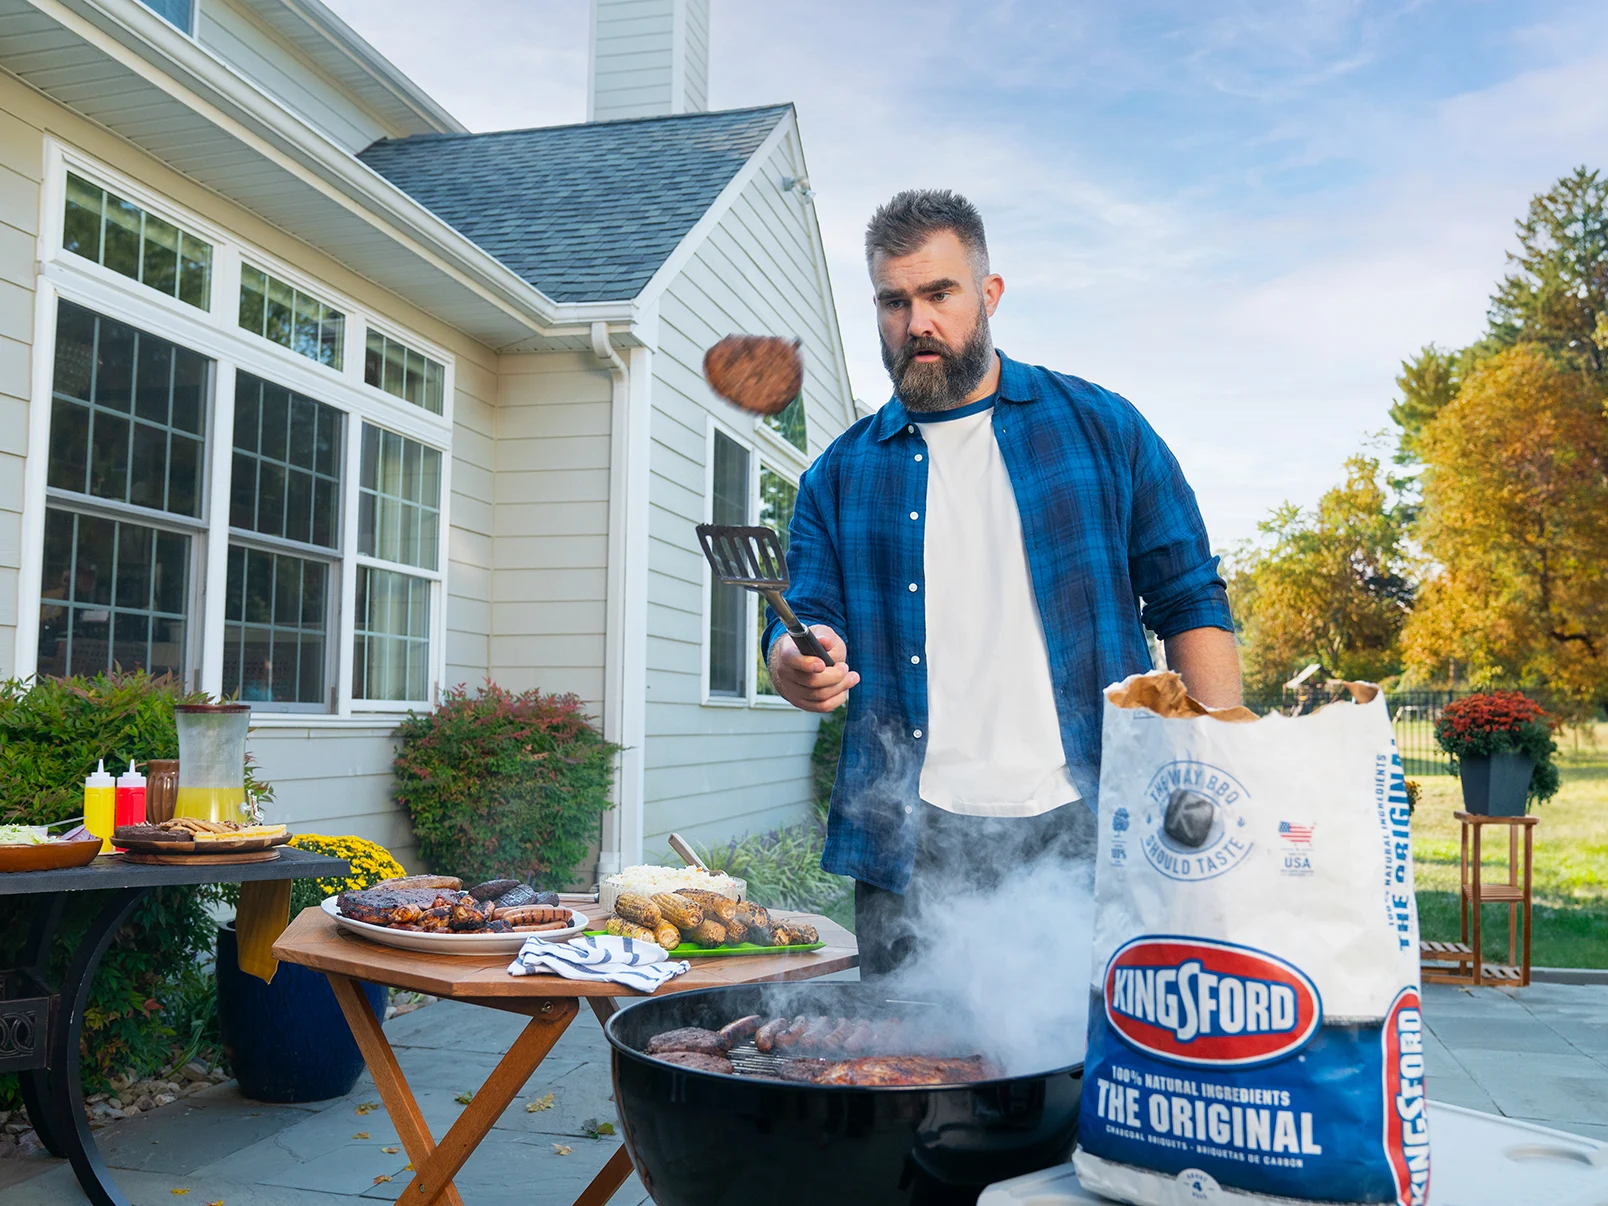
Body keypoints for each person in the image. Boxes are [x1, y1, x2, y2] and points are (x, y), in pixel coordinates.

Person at [761, 189, 1241, 976]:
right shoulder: (836, 477)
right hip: (909, 842)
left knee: (1095, 1049)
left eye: (939, 294)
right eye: (894, 301)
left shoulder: (1101, 428)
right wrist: (791, 657)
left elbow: (1189, 596)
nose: (917, 321)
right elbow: (802, 617)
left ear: (989, 294)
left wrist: (1217, 776)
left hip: (1095, 822)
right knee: (904, 1053)